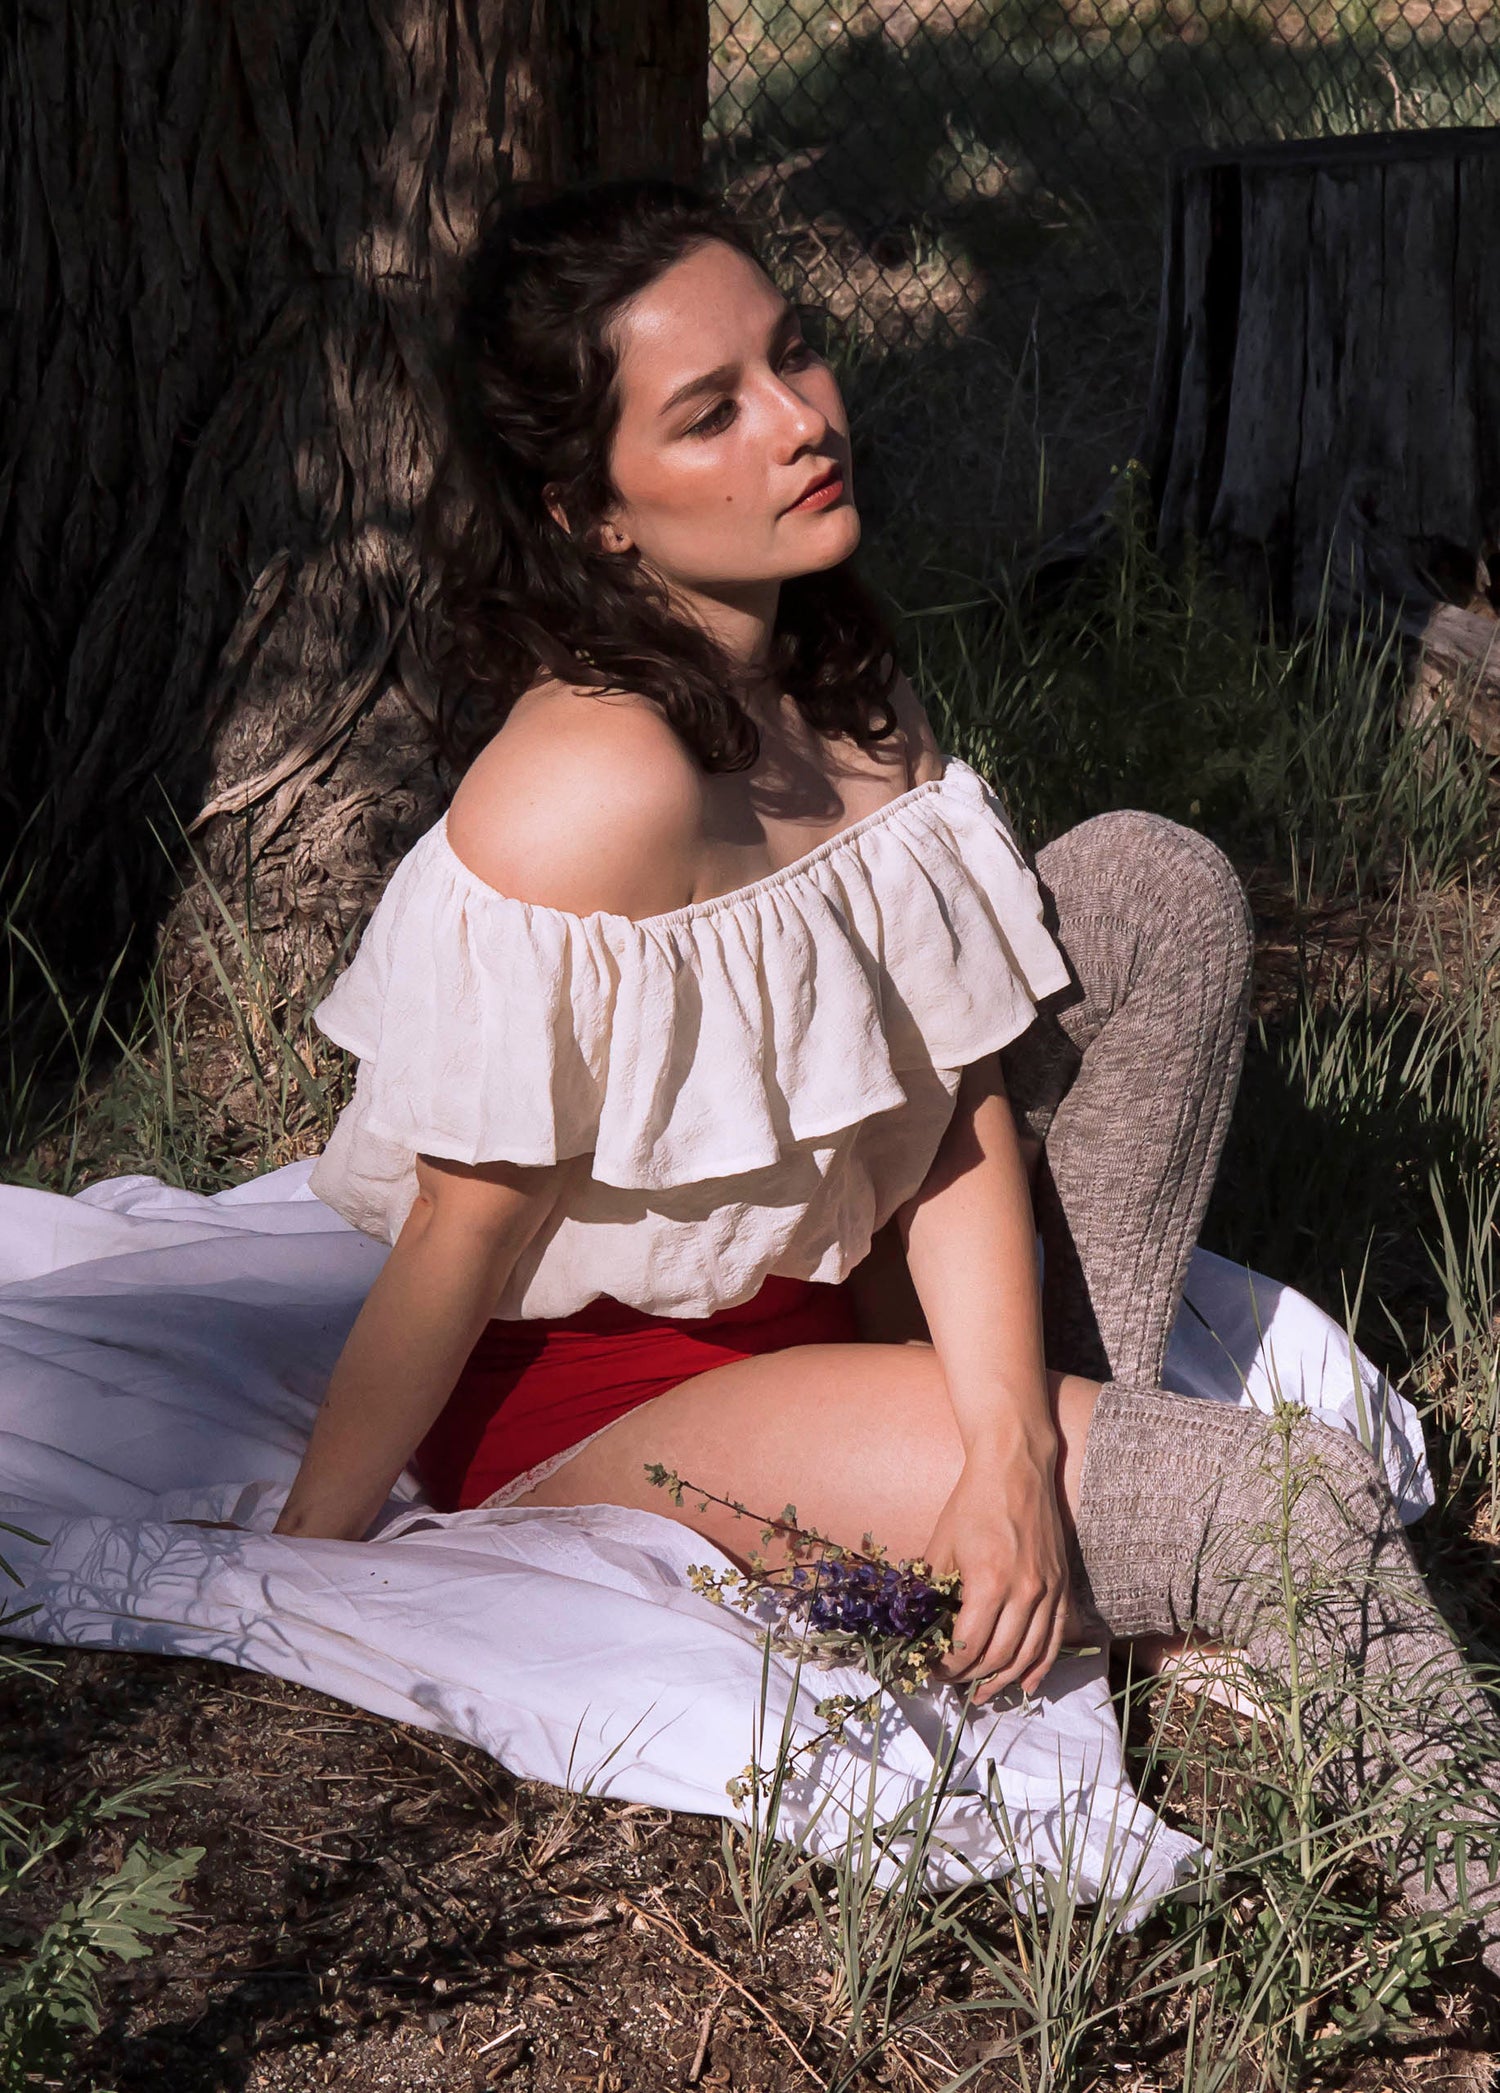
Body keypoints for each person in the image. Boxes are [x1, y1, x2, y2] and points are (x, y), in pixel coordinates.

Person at [275, 178, 1500, 1967]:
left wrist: (1013, 1444)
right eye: (712, 412)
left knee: (1148, 884)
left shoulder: (847, 691)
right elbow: (468, 1226)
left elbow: (954, 1104)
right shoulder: (588, 787)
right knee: (1280, 1498)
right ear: (593, 519)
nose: (802, 421)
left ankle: (1066, 1522)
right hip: (610, 1395)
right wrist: (297, 1562)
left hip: (839, 1300)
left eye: (795, 355)